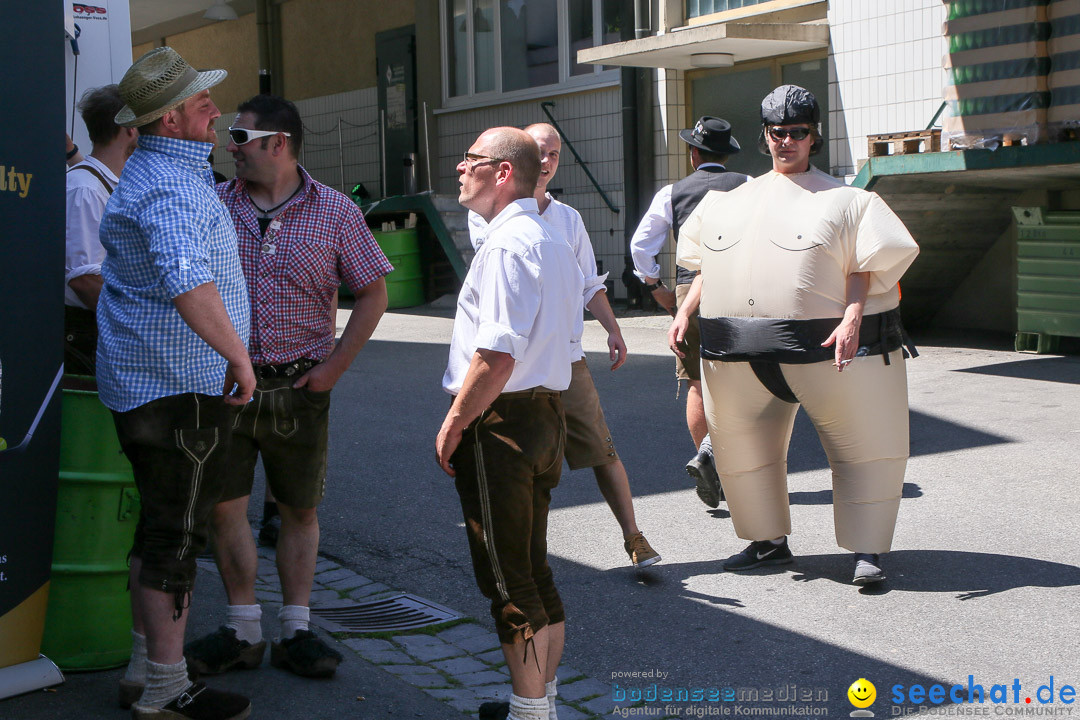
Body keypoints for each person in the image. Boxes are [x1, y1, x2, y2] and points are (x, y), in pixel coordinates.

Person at [671, 85, 919, 586]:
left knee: (864, 449)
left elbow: (864, 266)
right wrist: (685, 313)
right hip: (737, 355)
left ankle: (867, 547)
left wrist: (852, 317)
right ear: (765, 137)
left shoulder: (849, 201)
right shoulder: (728, 202)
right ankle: (766, 543)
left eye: (797, 133)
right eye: (778, 133)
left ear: (814, 136)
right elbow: (705, 265)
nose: (787, 141)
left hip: (834, 355)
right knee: (742, 452)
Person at [183, 94, 391, 679]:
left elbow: (373, 291)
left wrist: (334, 368)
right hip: (225, 385)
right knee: (226, 509)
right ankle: (243, 627)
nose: (231, 147)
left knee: (299, 508)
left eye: (241, 138)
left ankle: (296, 629)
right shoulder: (215, 204)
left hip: (300, 384)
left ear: (279, 144)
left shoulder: (336, 212)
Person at [98, 47, 255, 720]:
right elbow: (187, 280)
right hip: (179, 389)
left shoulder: (163, 174)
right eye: (200, 104)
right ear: (168, 121)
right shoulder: (167, 185)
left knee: (162, 530)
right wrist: (240, 359)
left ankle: (146, 671)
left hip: (161, 384)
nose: (215, 111)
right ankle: (164, 687)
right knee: (173, 539)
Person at [437, 127, 583, 720]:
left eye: (470, 160)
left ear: (502, 173)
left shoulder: (506, 246)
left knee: (506, 579)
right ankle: (540, 701)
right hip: (546, 412)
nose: (458, 168)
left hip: (505, 422)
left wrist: (454, 422)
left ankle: (530, 712)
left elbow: (496, 354)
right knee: (533, 569)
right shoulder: (550, 237)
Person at [468, 123, 660, 568]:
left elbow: (589, 284)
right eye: (540, 152)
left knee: (601, 448)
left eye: (554, 154)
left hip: (566, 356)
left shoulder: (568, 218)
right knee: (526, 462)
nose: (548, 162)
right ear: (515, 161)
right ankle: (530, 557)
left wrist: (613, 328)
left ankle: (634, 537)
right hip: (513, 364)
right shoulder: (488, 215)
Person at [629, 117, 748, 509]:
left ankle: (710, 463)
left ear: (693, 153)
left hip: (687, 288)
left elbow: (641, 246)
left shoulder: (673, 192)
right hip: (741, 286)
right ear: (727, 154)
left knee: (697, 380)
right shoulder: (747, 185)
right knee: (745, 376)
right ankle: (732, 466)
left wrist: (655, 287)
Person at [64, 85, 138, 376]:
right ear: (131, 129)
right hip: (86, 333)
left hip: (99, 328)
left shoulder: (100, 183)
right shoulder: (85, 188)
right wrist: (140, 326)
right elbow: (84, 280)